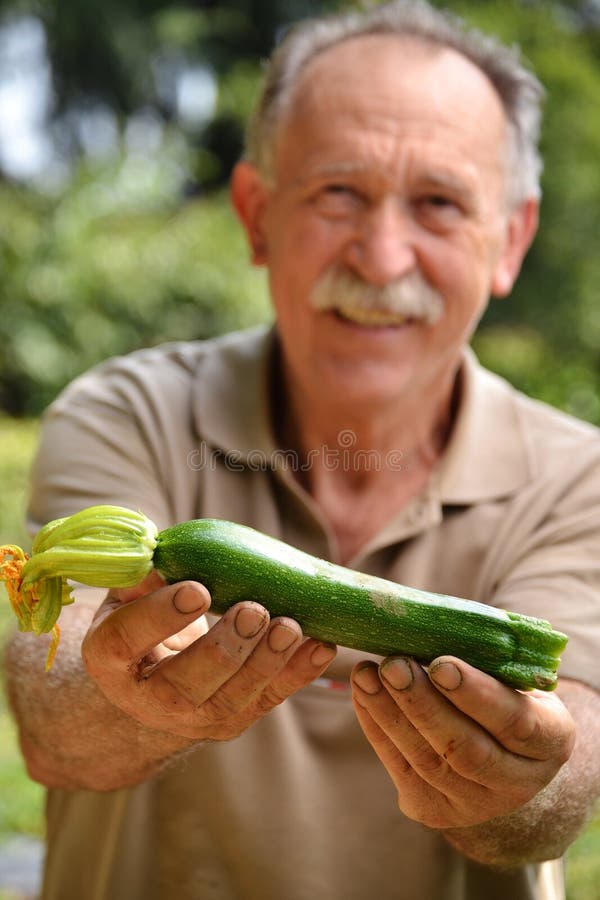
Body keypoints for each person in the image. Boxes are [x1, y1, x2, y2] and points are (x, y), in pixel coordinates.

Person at [5, 2, 600, 899]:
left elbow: (568, 773)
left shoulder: (581, 476)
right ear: (256, 215)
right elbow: (50, 722)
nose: (381, 253)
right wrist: (117, 700)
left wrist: (522, 783)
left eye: (438, 203)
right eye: (338, 193)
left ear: (509, 240)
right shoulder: (124, 411)